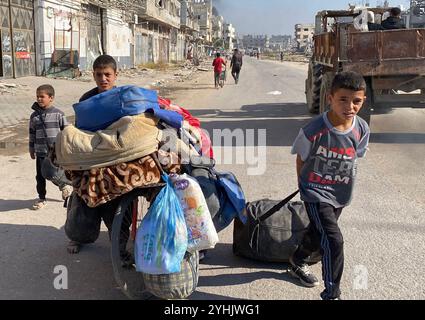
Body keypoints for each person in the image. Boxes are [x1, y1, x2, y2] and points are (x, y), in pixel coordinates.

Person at [289, 71, 370, 300]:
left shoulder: (361, 128)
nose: (350, 106)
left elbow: (356, 156)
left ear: (363, 100)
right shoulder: (313, 130)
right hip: (315, 192)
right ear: (330, 98)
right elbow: (301, 159)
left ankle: (297, 260)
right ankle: (332, 293)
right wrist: (305, 188)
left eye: (356, 101)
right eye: (343, 99)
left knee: (319, 233)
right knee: (334, 240)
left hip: (341, 193)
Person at [66, 54, 121, 254]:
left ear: (116, 75)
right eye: (99, 74)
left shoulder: (121, 98)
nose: (103, 79)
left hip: (115, 156)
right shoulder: (86, 99)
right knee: (83, 200)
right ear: (93, 75)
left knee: (116, 204)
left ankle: (120, 245)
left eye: (107, 74)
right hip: (91, 155)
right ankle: (76, 236)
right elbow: (80, 129)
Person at [29, 84, 72, 210]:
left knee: (53, 173)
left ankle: (64, 186)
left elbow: (67, 132)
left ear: (51, 98)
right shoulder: (34, 116)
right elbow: (31, 133)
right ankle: (41, 198)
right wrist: (31, 148)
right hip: (41, 151)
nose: (39, 99)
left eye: (42, 96)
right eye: (37, 97)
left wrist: (67, 148)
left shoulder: (59, 114)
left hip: (56, 152)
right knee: (40, 175)